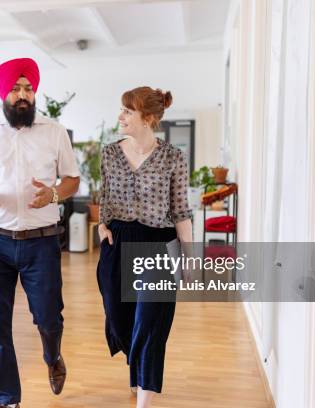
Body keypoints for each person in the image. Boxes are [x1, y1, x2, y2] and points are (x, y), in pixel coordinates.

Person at [0, 57, 80, 408]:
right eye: (15, 89)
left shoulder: (54, 132)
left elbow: (72, 179)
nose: (23, 95)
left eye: (28, 88)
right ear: (3, 93)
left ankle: (52, 355)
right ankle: (7, 400)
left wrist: (55, 193)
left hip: (41, 242)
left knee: (49, 316)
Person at [96, 87, 193, 408]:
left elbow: (181, 210)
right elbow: (105, 200)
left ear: (148, 118)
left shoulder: (173, 158)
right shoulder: (109, 153)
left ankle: (145, 398)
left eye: (127, 111)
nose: (120, 116)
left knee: (151, 323)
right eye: (121, 110)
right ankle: (136, 369)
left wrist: (189, 257)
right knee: (120, 319)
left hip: (158, 243)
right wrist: (100, 227)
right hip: (118, 242)